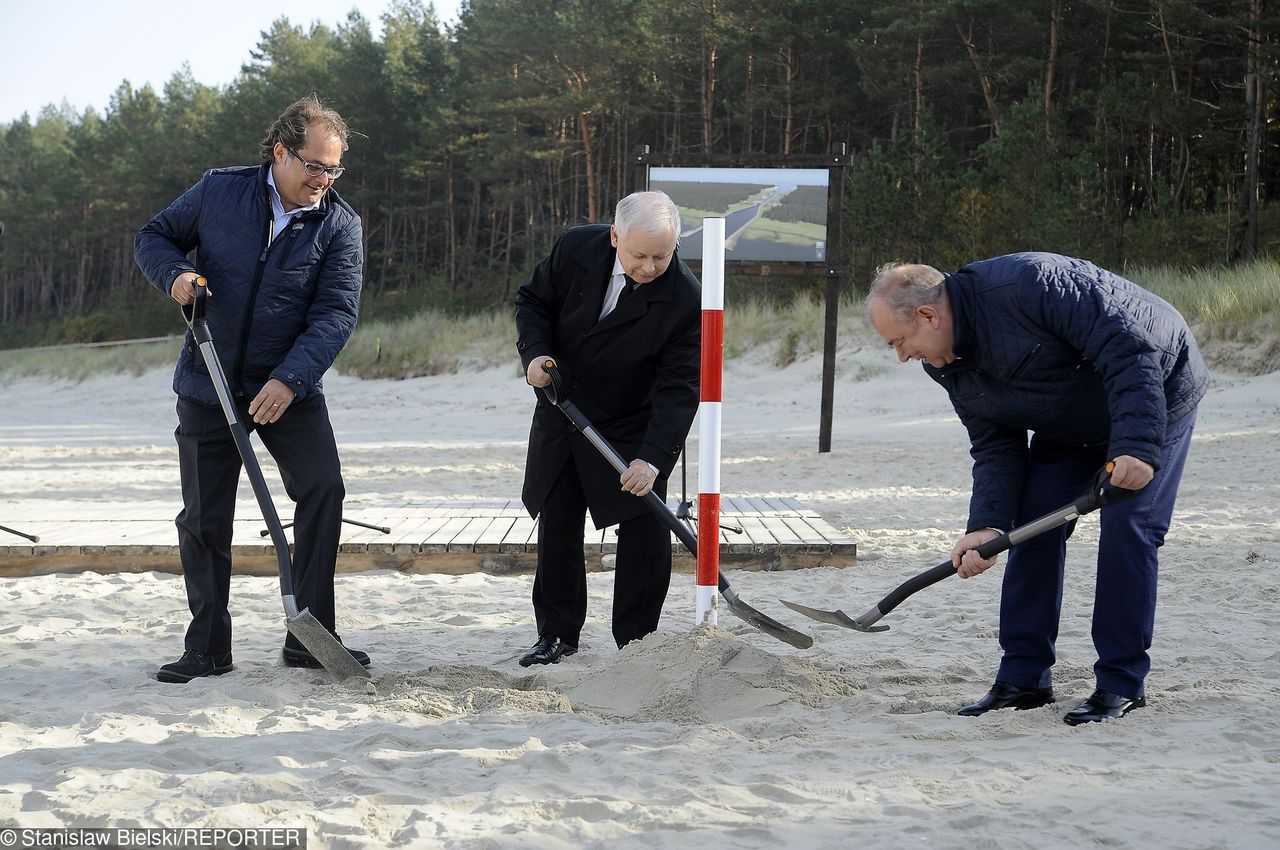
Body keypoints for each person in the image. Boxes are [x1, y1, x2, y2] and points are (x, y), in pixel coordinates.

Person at [867, 253, 1208, 725]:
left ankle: (1120, 682)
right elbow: (995, 443)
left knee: (1130, 528)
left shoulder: (1031, 285)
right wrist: (986, 524)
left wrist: (1135, 447)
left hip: (1156, 389)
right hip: (1069, 417)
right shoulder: (941, 361)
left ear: (928, 315)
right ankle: (1023, 679)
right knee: (1029, 528)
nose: (903, 356)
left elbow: (1128, 351)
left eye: (900, 342)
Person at [135, 95, 366, 683]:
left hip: (287, 386)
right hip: (208, 380)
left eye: (333, 168)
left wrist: (290, 379)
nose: (323, 179)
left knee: (323, 490)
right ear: (280, 152)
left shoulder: (340, 224)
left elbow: (336, 314)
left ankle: (309, 637)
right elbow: (154, 236)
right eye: (314, 165)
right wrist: (177, 276)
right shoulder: (219, 190)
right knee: (205, 518)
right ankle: (208, 646)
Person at [514, 190, 701, 665]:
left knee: (644, 529)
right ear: (615, 236)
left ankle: (636, 643)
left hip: (631, 421)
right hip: (563, 405)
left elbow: (679, 388)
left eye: (662, 255)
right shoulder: (577, 248)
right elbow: (533, 301)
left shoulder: (684, 297)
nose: (649, 267)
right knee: (558, 522)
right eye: (639, 255)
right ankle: (556, 634)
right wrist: (535, 354)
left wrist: (653, 458)